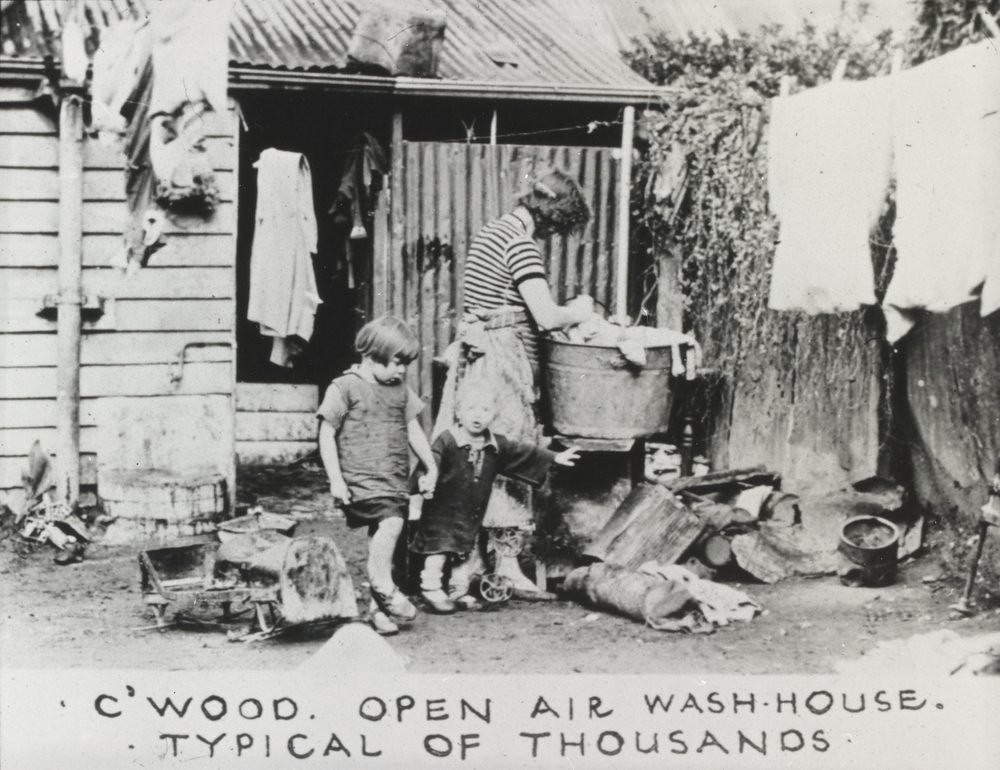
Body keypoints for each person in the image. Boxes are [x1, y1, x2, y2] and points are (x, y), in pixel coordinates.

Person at [433, 166, 593, 596]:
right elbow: (545, 315)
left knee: (474, 454)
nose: (552, 237)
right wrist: (580, 310)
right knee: (510, 451)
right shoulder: (521, 245)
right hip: (502, 356)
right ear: (550, 217)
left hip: (477, 354)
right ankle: (503, 566)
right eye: (557, 228)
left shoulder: (492, 232)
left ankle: (465, 565)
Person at [411, 384, 580, 613]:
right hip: (443, 508)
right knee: (439, 547)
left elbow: (521, 453)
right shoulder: (448, 439)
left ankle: (457, 591)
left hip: (470, 511)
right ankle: (430, 587)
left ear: (494, 415)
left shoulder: (497, 444)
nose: (477, 415)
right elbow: (432, 460)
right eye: (471, 409)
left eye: (485, 410)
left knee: (464, 549)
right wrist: (424, 479)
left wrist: (553, 458)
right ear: (459, 412)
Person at [317, 315, 437, 636]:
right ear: (371, 356)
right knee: (392, 523)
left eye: (405, 365)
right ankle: (384, 585)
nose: (401, 371)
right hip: (360, 479)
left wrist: (431, 465)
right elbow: (326, 433)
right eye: (397, 363)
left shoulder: (399, 389)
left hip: (392, 478)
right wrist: (336, 480)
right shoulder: (344, 387)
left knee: (384, 542)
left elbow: (412, 427)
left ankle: (377, 610)